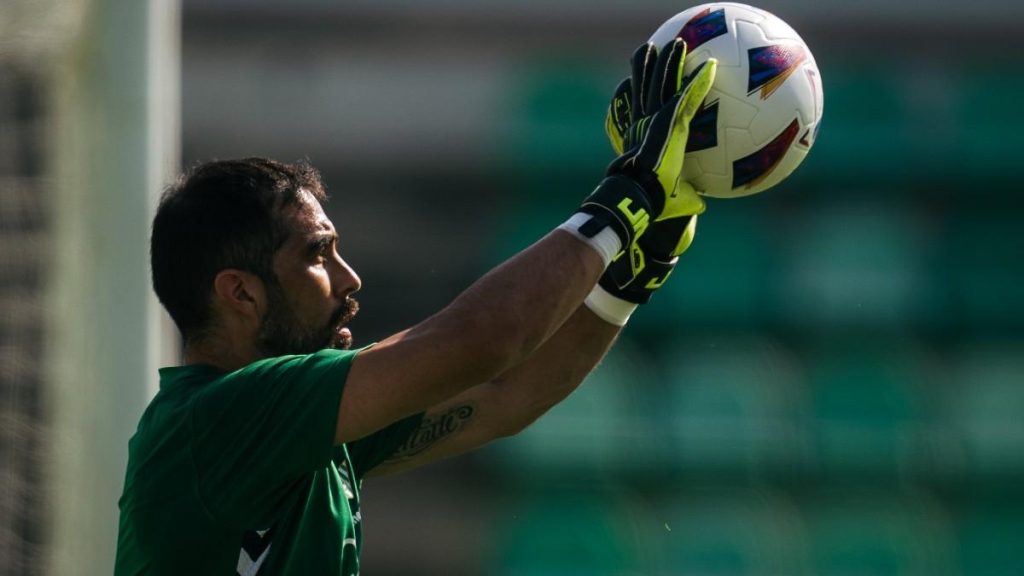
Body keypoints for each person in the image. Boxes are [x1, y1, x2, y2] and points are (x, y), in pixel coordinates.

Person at [115, 40, 717, 575]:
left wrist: (625, 283)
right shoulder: (220, 422)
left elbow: (506, 393)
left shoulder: (293, 431)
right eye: (318, 255)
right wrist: (625, 199)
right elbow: (480, 342)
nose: (350, 278)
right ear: (241, 293)